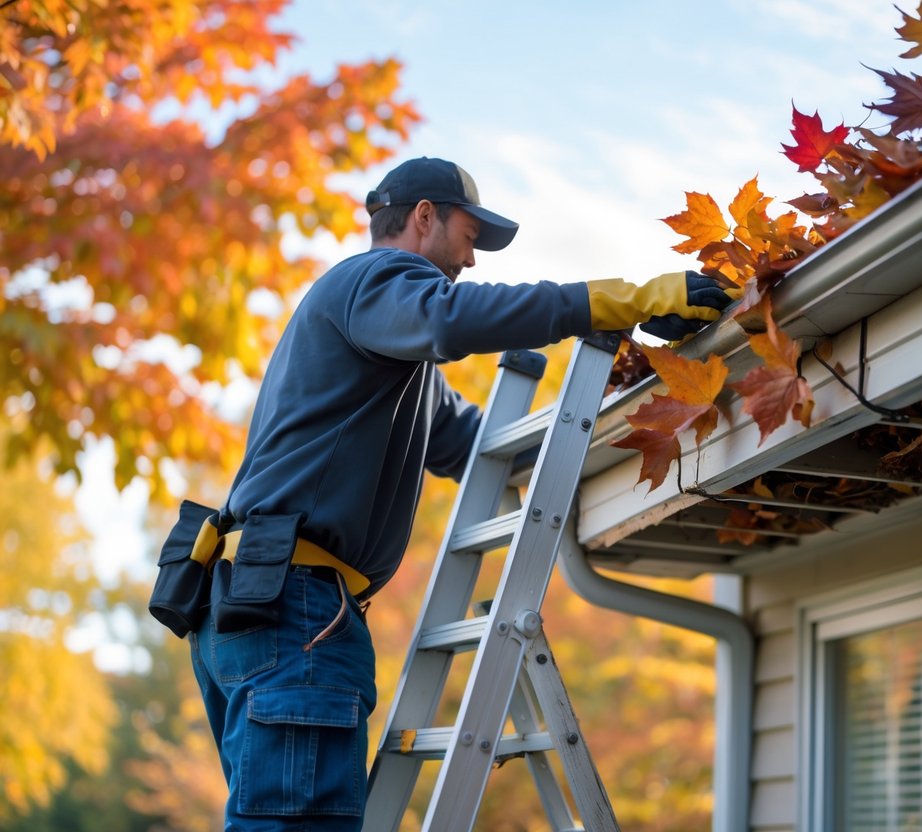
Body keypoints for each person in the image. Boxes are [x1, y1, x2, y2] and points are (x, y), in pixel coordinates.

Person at [153, 156, 732, 830]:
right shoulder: (370, 281)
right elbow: (452, 318)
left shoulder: (388, 359)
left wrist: (638, 418)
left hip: (267, 604)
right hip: (295, 609)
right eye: (468, 236)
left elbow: (473, 447)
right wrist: (621, 298)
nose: (472, 260)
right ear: (423, 218)